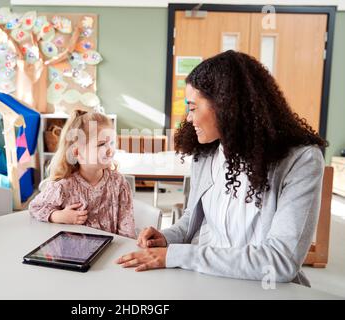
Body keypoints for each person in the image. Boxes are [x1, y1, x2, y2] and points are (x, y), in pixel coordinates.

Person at [116, 50, 327, 286]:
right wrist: (166, 238)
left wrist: (176, 255)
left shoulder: (301, 160)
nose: (188, 118)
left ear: (226, 106)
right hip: (209, 281)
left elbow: (280, 261)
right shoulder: (205, 154)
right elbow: (191, 220)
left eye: (193, 107)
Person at [29, 109, 136, 239]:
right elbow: (35, 207)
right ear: (77, 153)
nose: (110, 150)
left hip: (111, 252)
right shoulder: (63, 187)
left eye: (112, 143)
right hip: (74, 253)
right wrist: (58, 216)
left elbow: (127, 230)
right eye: (102, 144)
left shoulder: (119, 184)